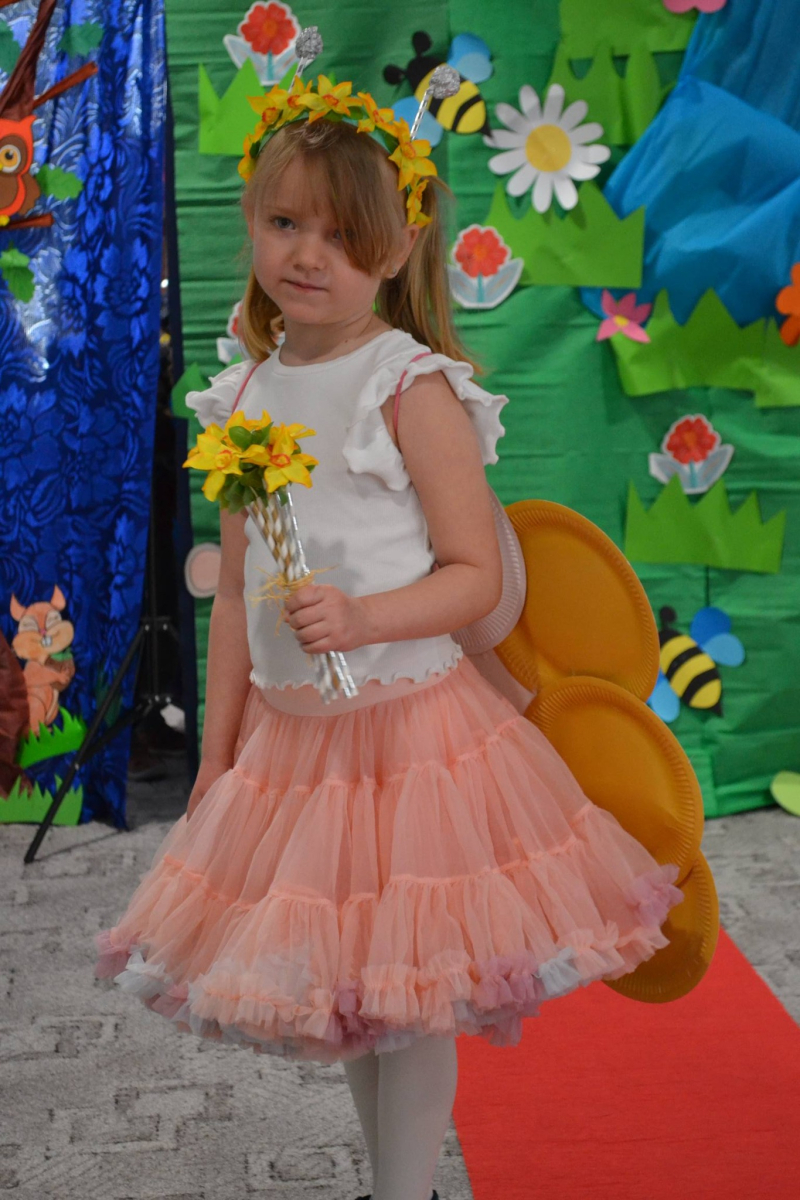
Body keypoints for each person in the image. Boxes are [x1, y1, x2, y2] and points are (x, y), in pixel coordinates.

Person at [95, 75, 685, 1200]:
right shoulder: (246, 393)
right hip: (293, 746)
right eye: (285, 222)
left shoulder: (408, 387)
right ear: (251, 218)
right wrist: (217, 753)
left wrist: (365, 617)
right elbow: (237, 596)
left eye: (343, 235)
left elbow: (473, 576)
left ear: (398, 247)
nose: (307, 254)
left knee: (413, 1001)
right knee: (359, 999)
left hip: (413, 735)